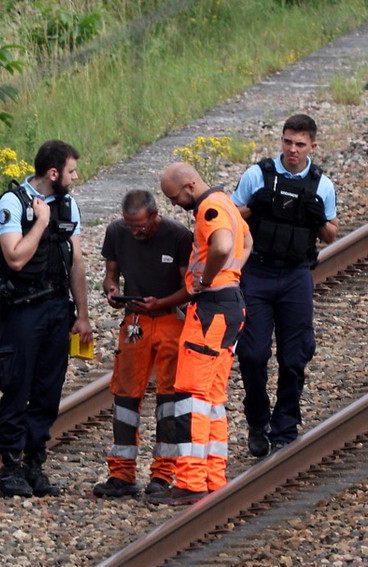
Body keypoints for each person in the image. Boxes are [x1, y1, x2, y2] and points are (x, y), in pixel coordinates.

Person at [0, 139, 93, 497]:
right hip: (23, 311)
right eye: (71, 171)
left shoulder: (68, 205)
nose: (75, 177)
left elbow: (76, 262)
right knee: (18, 386)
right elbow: (15, 257)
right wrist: (41, 222)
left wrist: (83, 315)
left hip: (55, 309)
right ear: (53, 173)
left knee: (48, 390)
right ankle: (11, 466)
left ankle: (34, 463)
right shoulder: (13, 203)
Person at [230, 114, 338, 458]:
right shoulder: (256, 175)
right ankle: (257, 423)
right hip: (257, 274)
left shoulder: (322, 184)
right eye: (287, 142)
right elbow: (228, 220)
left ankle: (286, 426)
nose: (292, 149)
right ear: (282, 140)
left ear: (312, 146)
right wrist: (252, 207)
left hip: (295, 277)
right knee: (252, 353)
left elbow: (331, 233)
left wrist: (318, 217)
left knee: (295, 357)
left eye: (300, 144)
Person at [154, 163, 251, 504]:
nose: (173, 204)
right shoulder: (225, 202)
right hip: (230, 304)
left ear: (190, 185)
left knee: (191, 395)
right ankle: (213, 476)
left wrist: (207, 279)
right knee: (212, 397)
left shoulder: (209, 209)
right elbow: (246, 240)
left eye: (174, 196)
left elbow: (223, 246)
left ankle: (191, 482)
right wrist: (231, 274)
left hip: (211, 308)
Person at [92, 190, 193, 498]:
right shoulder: (116, 232)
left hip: (169, 320)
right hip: (135, 320)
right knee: (124, 396)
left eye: (140, 226)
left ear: (154, 215)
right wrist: (112, 290)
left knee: (169, 399)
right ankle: (121, 474)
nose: (135, 232)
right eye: (130, 226)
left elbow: (190, 287)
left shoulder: (178, 236)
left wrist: (160, 302)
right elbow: (112, 275)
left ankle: (163, 475)